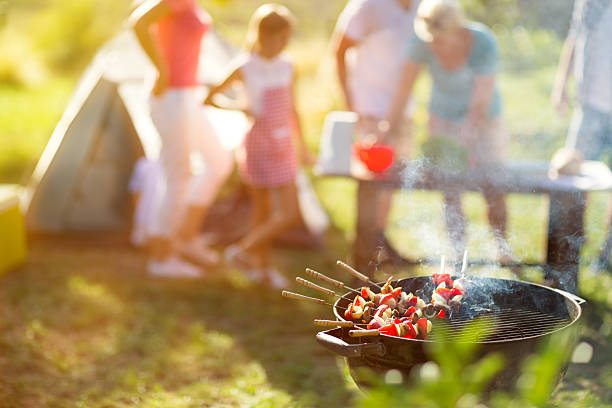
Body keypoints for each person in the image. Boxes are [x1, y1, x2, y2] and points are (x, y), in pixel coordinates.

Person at [386, 0, 513, 264]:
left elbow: (480, 100)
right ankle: (458, 252)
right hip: (442, 117)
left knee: (493, 181)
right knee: (449, 183)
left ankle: (501, 248)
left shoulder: (482, 43)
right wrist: (389, 127)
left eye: (440, 42)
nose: (434, 48)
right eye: (430, 42)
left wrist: (465, 139)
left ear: (457, 30)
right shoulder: (422, 41)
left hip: (485, 119)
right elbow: (403, 88)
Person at [204, 4, 313, 287]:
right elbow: (211, 97)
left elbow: (294, 109)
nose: (286, 44)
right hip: (258, 145)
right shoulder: (245, 67)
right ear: (266, 35)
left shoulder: (288, 66)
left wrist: (303, 147)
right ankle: (260, 269)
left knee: (287, 214)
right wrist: (242, 107)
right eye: (283, 38)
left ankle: (241, 251)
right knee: (261, 211)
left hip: (283, 145)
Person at [130, 0, 233, 277]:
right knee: (180, 174)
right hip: (171, 96)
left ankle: (185, 238)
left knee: (219, 161)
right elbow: (138, 22)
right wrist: (161, 68)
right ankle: (162, 258)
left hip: (188, 95)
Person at [333, 0, 419, 272]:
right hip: (370, 109)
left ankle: (380, 243)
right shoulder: (368, 6)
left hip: (403, 111)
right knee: (371, 183)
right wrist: (350, 104)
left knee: (392, 181)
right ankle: (361, 257)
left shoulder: (423, 6)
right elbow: (338, 50)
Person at [551, 0, 612, 272]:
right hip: (589, 105)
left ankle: (607, 254)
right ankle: (568, 250)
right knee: (572, 179)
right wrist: (561, 83)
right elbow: (575, 35)